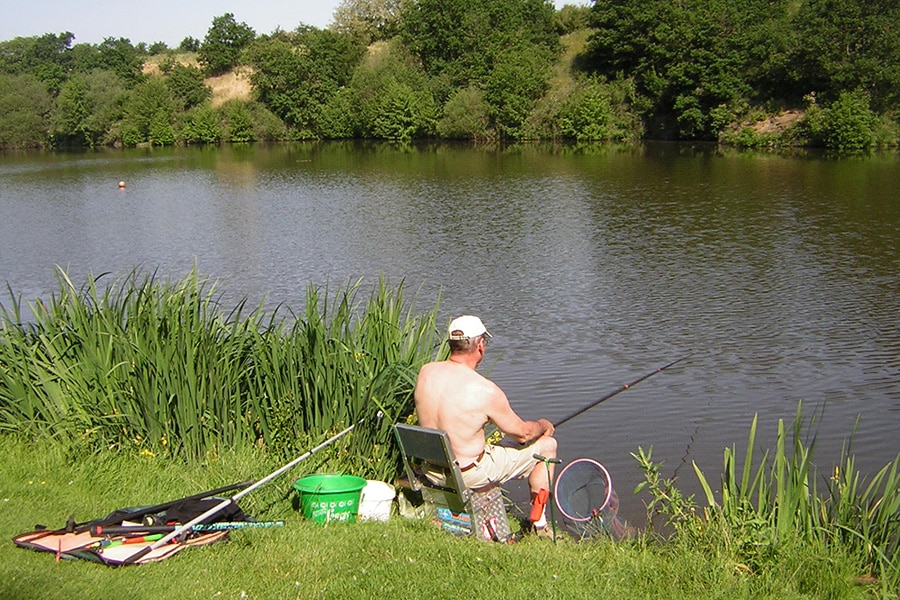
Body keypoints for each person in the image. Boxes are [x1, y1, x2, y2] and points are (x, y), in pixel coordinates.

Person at [414, 314, 558, 532]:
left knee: (493, 449)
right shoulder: (484, 390)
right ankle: (539, 525)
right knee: (548, 447)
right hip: (468, 473)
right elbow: (523, 434)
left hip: (432, 469)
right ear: (480, 345)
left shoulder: (426, 372)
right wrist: (543, 425)